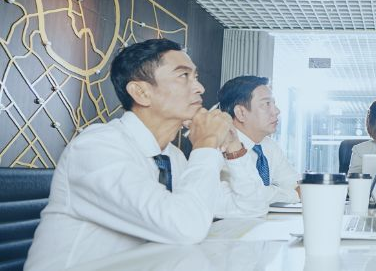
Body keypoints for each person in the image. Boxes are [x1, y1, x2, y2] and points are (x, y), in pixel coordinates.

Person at [25, 39, 266, 270]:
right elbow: (184, 227)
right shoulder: (97, 147)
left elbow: (250, 208)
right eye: (184, 76)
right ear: (141, 92)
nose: (200, 88)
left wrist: (233, 148)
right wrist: (206, 144)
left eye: (196, 77)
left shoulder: (173, 157)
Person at [217, 75, 301, 205]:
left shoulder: (269, 146)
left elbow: (297, 186)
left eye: (274, 104)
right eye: (267, 104)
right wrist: (292, 195)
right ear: (241, 113)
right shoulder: (219, 146)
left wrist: (286, 193)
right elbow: (250, 195)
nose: (277, 111)